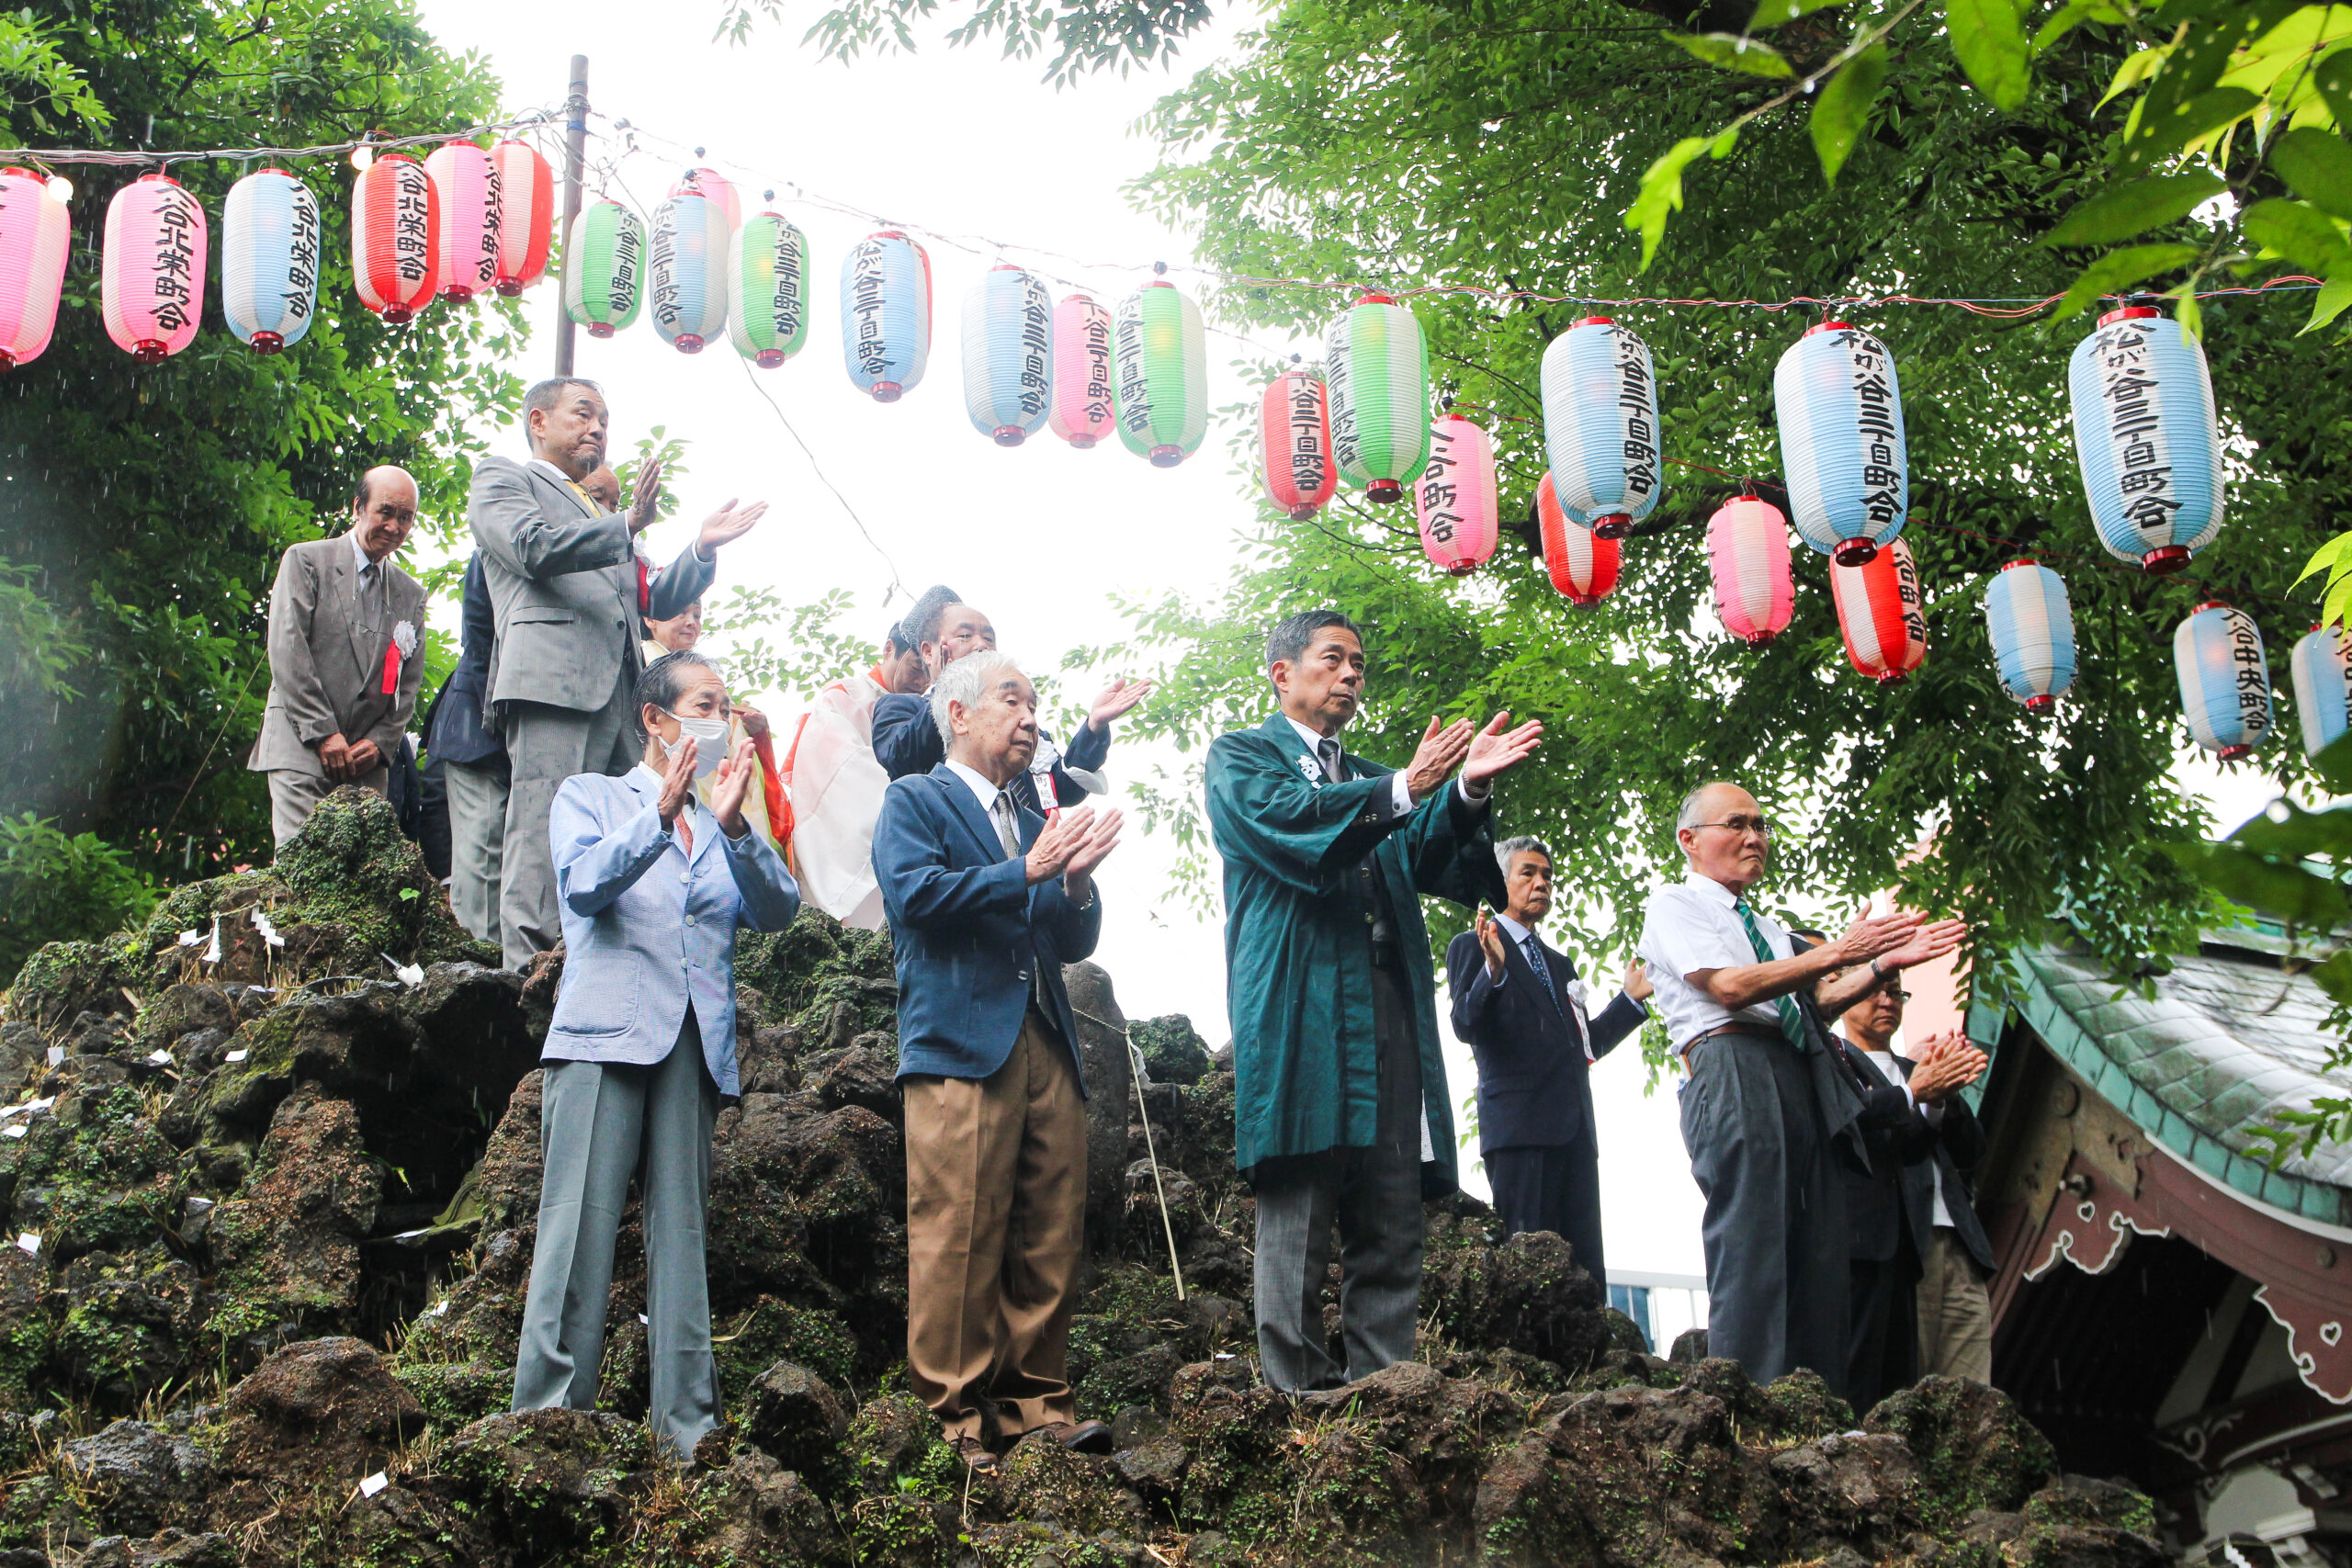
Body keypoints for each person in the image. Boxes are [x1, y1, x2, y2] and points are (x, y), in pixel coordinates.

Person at [1205, 609, 1541, 1393]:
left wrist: (1464, 787)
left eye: (1359, 662)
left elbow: (1427, 849)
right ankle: (1296, 1391)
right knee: (1300, 1189)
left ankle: (1386, 1391)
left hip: (1387, 998)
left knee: (1391, 1198)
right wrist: (1405, 786)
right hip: (1301, 1002)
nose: (1353, 673)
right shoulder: (1242, 757)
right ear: (1282, 672)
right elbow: (1289, 827)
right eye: (1334, 659)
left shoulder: (1372, 772)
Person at [511, 650, 801, 1462]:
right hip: (604, 1034)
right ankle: (550, 1419)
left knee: (682, 1237)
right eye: (706, 703)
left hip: (692, 1044)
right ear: (655, 717)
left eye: (726, 706)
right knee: (577, 1227)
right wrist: (660, 811)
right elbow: (582, 885)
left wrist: (736, 824)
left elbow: (777, 909)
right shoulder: (593, 796)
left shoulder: (721, 817)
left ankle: (688, 1431)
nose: (721, 718)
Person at [872, 649, 1125, 1472]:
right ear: (956, 713)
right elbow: (913, 896)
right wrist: (1026, 870)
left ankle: (1036, 1403)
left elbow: (1066, 930)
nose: (1030, 717)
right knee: (959, 1225)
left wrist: (1076, 882)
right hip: (959, 1038)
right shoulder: (916, 797)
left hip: (1046, 1030)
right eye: (1011, 700)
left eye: (1034, 703)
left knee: (1050, 1220)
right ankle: (951, 1413)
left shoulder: (1029, 813)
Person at [1636, 783, 1966, 1396]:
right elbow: (1732, 987)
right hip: (1730, 1063)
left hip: (1798, 1066)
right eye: (1736, 823)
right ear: (1690, 839)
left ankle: (1813, 1406)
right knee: (1755, 1240)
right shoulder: (1675, 904)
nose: (1754, 837)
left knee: (1819, 1246)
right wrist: (1839, 950)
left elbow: (1811, 1005)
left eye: (1761, 825)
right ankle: (1747, 1403)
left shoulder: (1766, 923)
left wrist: (1881, 966)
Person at [470, 378, 766, 969]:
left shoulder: (596, 512)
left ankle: (597, 962)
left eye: (605, 419)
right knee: (543, 824)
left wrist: (701, 549)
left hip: (621, 694)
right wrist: (625, 524)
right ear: (537, 422)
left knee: (622, 825)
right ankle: (528, 969)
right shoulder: (504, 479)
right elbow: (531, 547)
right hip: (552, 683)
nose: (598, 428)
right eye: (582, 414)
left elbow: (651, 598)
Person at [1445, 835, 1652, 1277]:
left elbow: (1582, 1047)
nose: (1542, 883)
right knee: (1530, 1264)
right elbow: (1464, 1024)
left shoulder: (1561, 965)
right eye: (1529, 873)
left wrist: (1629, 1001)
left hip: (1576, 1130)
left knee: (1584, 1267)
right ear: (1501, 883)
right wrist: (1493, 972)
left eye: (1548, 875)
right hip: (1520, 1130)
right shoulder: (1473, 945)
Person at [1829, 971, 1996, 1391]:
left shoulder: (1919, 1065)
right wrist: (1913, 1094)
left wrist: (1940, 1099)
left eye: (1895, 992)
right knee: (1907, 1385)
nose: (1887, 1001)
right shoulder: (1836, 1065)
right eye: (1875, 991)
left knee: (1971, 1391)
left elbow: (1972, 1151)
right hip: (1900, 1244)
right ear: (1845, 996)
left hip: (1959, 1242)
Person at [248, 466, 429, 846]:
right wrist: (323, 733)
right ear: (358, 507)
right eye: (386, 512)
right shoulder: (306, 561)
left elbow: (406, 684)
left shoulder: (410, 595)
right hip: (301, 749)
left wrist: (381, 742)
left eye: (406, 517)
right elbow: (288, 651)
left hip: (365, 767)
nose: (394, 526)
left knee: (358, 884)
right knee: (303, 870)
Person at [869, 589, 1150, 815]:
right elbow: (902, 760)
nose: (981, 645)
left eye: (988, 637)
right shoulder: (902, 708)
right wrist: (947, 690)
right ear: (928, 653)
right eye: (965, 635)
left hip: (1038, 868)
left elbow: (1062, 790)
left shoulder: (1020, 723)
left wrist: (1094, 728)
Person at [775, 610, 919, 929]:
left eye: (928, 673)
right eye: (915, 667)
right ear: (888, 649)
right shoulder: (844, 697)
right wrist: (912, 807)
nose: (920, 682)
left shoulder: (924, 711)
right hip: (850, 833)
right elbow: (838, 770)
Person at [423, 550, 507, 947]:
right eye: (597, 496)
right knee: (483, 866)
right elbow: (479, 638)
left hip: (530, 746)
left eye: (613, 503)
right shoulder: (498, 547)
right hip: (478, 735)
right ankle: (479, 973)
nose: (603, 509)